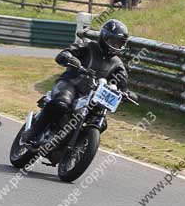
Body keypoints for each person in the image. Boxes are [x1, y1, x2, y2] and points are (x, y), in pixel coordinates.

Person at [20, 19, 130, 148]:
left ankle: (74, 148)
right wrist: (70, 58)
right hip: (71, 84)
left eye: (119, 43)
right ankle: (33, 132)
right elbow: (65, 53)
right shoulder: (87, 45)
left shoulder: (118, 64)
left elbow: (122, 83)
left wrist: (126, 94)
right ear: (104, 37)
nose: (115, 46)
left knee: (101, 123)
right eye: (113, 41)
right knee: (61, 103)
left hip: (92, 96)